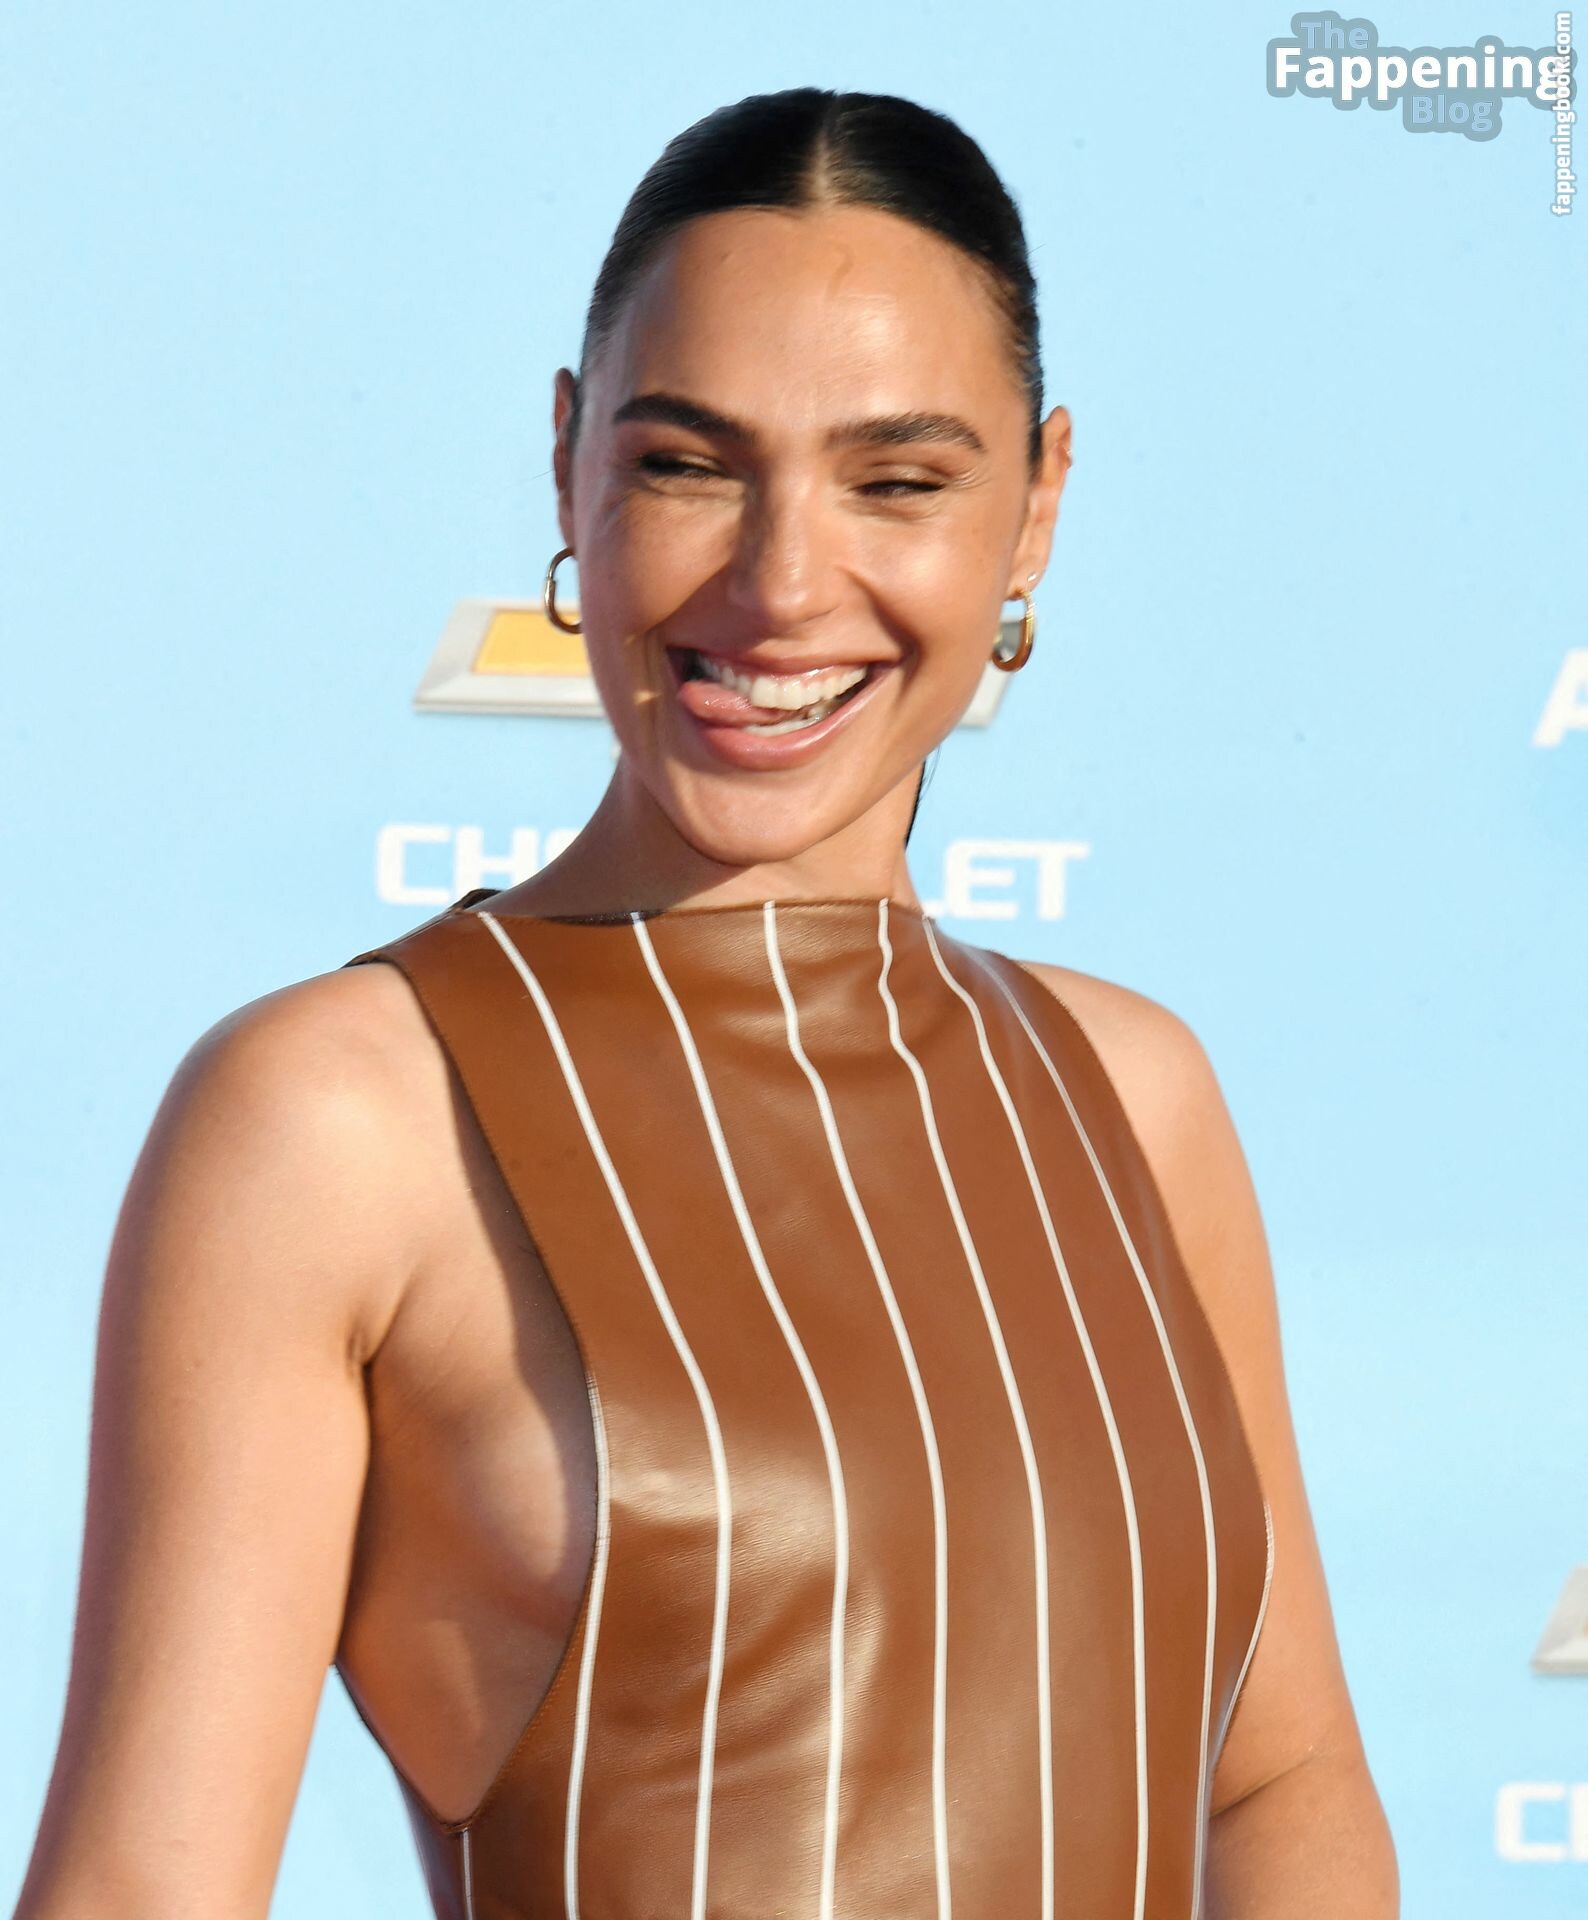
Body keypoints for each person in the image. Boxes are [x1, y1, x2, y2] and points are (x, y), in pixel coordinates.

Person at [12, 87, 1397, 1920]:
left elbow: (1281, 1787)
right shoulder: (337, 1117)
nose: (783, 582)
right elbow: (140, 1890)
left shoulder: (1130, 1091)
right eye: (688, 464)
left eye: (898, 480)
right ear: (569, 465)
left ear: (1039, 506)